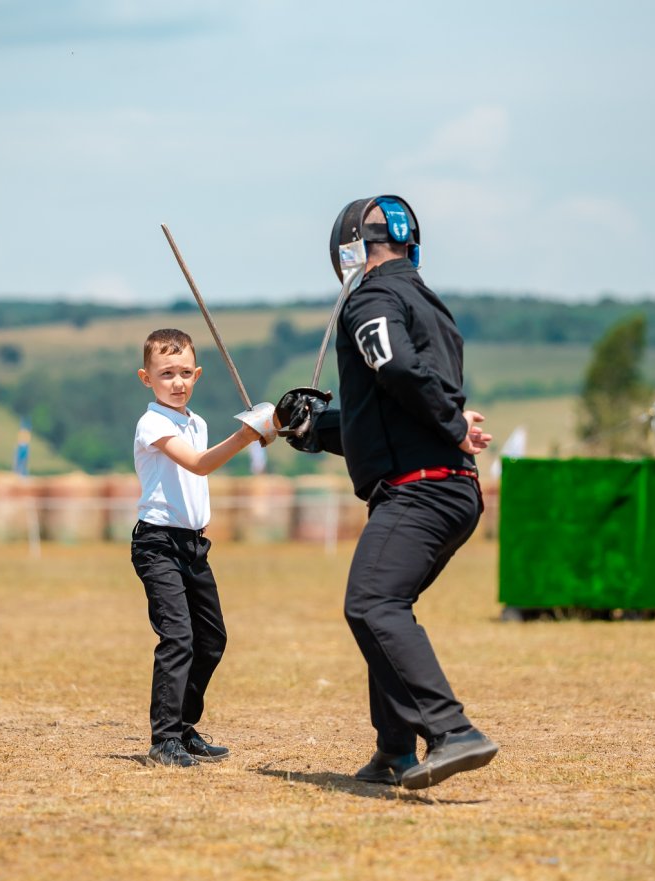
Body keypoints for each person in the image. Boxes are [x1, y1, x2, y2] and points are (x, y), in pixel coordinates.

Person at [276, 195, 497, 790]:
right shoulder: (429, 303)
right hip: (451, 488)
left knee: (372, 605)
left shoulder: (371, 299)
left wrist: (451, 424)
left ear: (348, 249)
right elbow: (393, 412)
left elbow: (396, 368)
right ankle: (394, 750)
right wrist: (317, 430)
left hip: (420, 492)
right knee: (387, 606)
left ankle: (453, 731)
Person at [131, 328, 277, 766]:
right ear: (146, 378)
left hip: (194, 546)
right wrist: (245, 436)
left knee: (211, 639)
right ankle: (164, 740)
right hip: (157, 544)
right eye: (165, 374)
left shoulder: (197, 423)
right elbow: (197, 465)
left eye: (184, 373)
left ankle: (183, 727)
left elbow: (196, 474)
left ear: (197, 375)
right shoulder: (152, 423)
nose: (176, 382)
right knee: (178, 637)